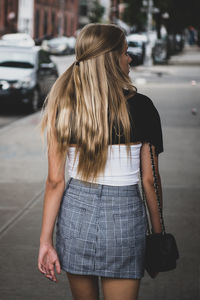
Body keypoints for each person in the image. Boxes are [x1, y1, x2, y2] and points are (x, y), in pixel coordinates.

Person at [38, 23, 164, 300]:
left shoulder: (64, 106)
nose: (129, 58)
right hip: (125, 217)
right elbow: (149, 180)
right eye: (126, 52)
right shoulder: (142, 107)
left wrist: (45, 241)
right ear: (111, 58)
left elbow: (55, 181)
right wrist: (158, 236)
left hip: (75, 217)